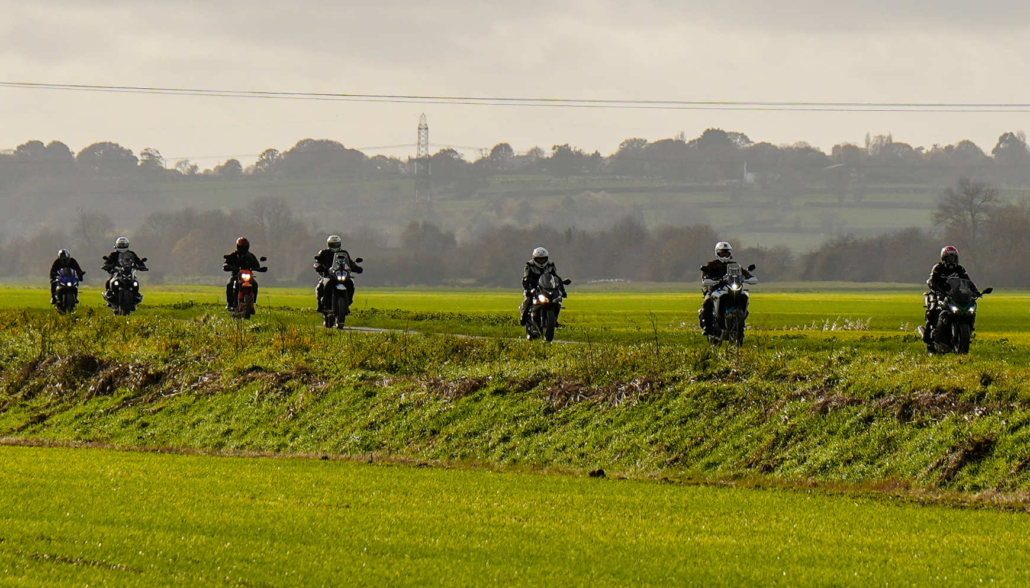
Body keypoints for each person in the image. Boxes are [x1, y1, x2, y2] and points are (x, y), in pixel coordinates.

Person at [923, 245, 981, 346]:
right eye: (949, 258)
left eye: (953, 258)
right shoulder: (938, 268)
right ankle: (928, 334)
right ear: (944, 258)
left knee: (969, 310)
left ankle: (967, 330)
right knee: (932, 309)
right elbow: (932, 281)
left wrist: (975, 291)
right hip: (939, 293)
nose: (952, 260)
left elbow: (968, 281)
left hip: (954, 294)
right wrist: (936, 289)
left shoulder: (960, 269)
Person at [698, 241, 752, 335]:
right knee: (707, 303)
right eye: (722, 252)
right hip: (715, 289)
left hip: (731, 288)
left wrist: (749, 278)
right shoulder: (711, 265)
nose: (724, 254)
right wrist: (708, 280)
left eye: (726, 252)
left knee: (744, 297)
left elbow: (744, 273)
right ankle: (708, 327)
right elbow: (704, 277)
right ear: (717, 253)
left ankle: (740, 320)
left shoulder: (735, 265)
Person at [313, 235, 362, 313]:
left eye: (336, 244)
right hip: (329, 275)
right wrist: (319, 267)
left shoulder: (343, 253)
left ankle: (348, 301)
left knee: (350, 283)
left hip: (341, 274)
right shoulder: (324, 253)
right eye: (333, 245)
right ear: (329, 244)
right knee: (321, 286)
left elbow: (350, 262)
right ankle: (321, 303)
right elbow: (317, 262)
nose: (335, 246)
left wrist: (356, 268)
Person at [519, 247, 567, 326]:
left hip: (547, 287)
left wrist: (562, 290)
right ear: (534, 258)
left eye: (543, 259)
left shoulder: (551, 265)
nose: (541, 261)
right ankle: (523, 317)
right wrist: (528, 289)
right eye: (539, 259)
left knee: (557, 299)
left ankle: (554, 319)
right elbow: (525, 279)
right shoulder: (529, 265)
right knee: (527, 299)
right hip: (534, 287)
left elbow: (556, 277)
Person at [101, 236, 147, 303]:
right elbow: (108, 260)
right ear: (117, 245)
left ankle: (136, 294)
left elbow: (137, 260)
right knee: (108, 281)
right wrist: (106, 265)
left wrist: (141, 265)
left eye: (123, 244)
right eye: (121, 244)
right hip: (117, 273)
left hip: (128, 272)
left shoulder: (131, 254)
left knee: (135, 282)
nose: (122, 246)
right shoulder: (114, 254)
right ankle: (109, 293)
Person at [223, 237, 263, 310]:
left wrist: (260, 268)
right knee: (230, 284)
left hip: (248, 275)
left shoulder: (250, 256)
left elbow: (257, 265)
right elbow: (226, 263)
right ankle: (230, 303)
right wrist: (227, 266)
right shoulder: (234, 255)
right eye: (242, 247)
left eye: (244, 247)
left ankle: (252, 303)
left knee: (255, 284)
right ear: (238, 247)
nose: (243, 249)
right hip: (236, 275)